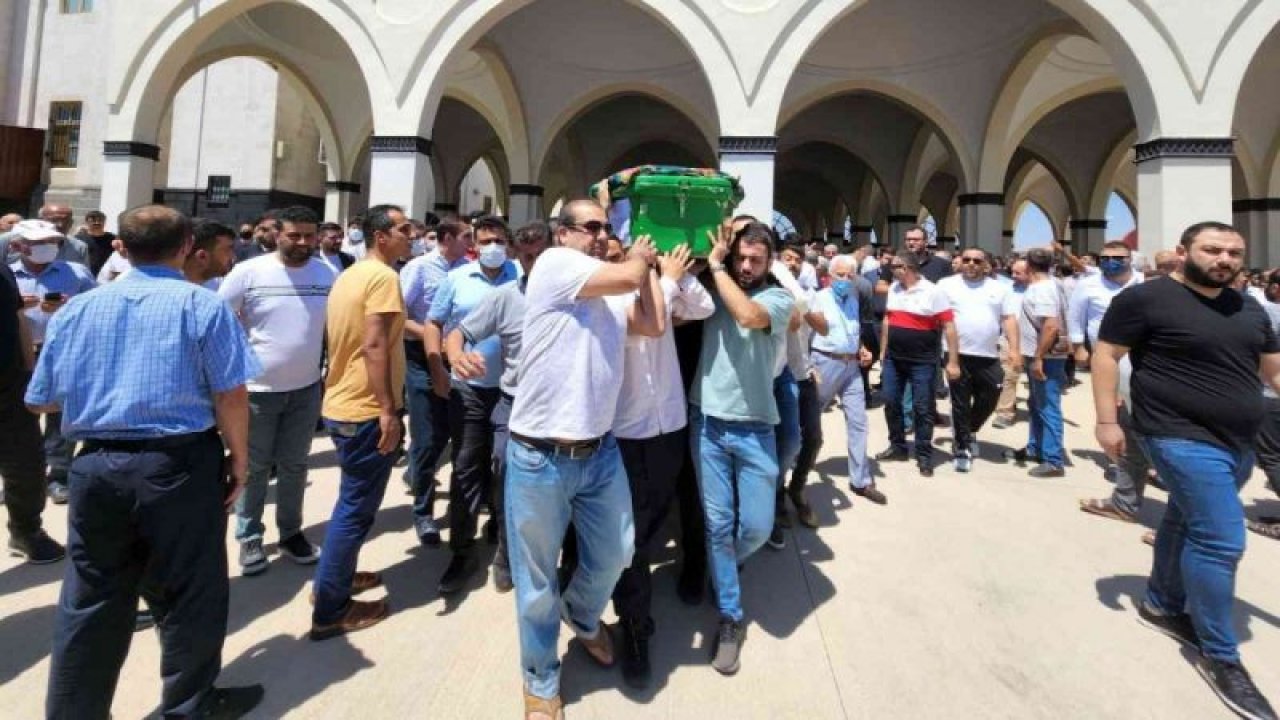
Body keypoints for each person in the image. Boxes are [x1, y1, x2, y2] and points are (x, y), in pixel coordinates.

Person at [27, 205, 263, 718]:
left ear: (123, 248)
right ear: (184, 248)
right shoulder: (203, 307)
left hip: (95, 465)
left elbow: (42, 398)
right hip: (176, 465)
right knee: (190, 591)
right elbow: (231, 395)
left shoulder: (76, 309)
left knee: (91, 600)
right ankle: (189, 705)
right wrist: (240, 459)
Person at [1093, 221, 1279, 720]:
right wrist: (1108, 420)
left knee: (1182, 516)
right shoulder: (1145, 299)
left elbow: (1273, 369)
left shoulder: (1249, 306)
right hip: (1174, 434)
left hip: (1238, 441)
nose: (1225, 259)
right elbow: (1107, 355)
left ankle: (1160, 602)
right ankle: (1221, 656)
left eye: (1234, 252)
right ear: (1183, 252)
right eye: (1212, 249)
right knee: (1221, 540)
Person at [505, 200, 660, 718]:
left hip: (600, 451)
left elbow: (653, 324)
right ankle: (542, 679)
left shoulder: (609, 284)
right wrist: (638, 258)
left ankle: (582, 611)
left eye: (605, 227)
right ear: (563, 233)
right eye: (591, 226)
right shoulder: (554, 265)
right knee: (535, 581)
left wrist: (653, 271)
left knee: (618, 551)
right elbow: (626, 276)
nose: (601, 234)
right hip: (539, 456)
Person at [691, 222, 795, 675]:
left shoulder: (777, 299)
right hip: (707, 422)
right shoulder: (712, 285)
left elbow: (748, 317)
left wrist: (718, 268)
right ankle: (731, 616)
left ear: (769, 261)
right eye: (741, 258)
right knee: (717, 524)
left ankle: (725, 567)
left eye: (756, 259)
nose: (748, 266)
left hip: (755, 427)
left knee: (753, 527)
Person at [608, 242, 711, 685]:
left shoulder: (658, 286)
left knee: (651, 522)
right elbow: (646, 326)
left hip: (668, 422)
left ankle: (638, 592)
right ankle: (635, 625)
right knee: (630, 533)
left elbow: (703, 306)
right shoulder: (604, 298)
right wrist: (663, 277)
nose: (631, 260)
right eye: (619, 256)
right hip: (626, 430)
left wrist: (674, 273)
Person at [309, 204, 409, 641]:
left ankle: (332, 580)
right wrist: (388, 409)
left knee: (349, 504)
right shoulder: (384, 278)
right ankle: (331, 610)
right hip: (365, 410)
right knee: (355, 510)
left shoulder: (350, 273)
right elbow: (373, 346)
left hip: (341, 403)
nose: (412, 234)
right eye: (404, 229)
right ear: (381, 236)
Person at [219, 206, 336, 577]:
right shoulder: (248, 273)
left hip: (305, 389)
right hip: (256, 391)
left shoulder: (326, 273)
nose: (302, 242)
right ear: (276, 234)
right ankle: (250, 535)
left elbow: (334, 326)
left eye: (308, 235)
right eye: (294, 235)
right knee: (253, 468)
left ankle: (291, 532)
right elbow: (218, 321)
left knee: (295, 465)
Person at [446, 221, 552, 592]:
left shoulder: (580, 294)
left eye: (542, 254)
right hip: (514, 406)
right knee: (505, 475)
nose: (535, 262)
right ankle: (504, 554)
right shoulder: (505, 297)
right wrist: (457, 355)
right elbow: (457, 333)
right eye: (528, 256)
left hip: (561, 409)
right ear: (517, 257)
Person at [425, 215, 518, 594]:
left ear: (508, 244)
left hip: (513, 392)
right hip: (469, 392)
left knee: (507, 470)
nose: (492, 246)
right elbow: (434, 323)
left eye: (498, 239)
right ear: (473, 246)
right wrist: (439, 366)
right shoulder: (456, 280)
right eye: (484, 241)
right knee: (465, 467)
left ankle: (505, 552)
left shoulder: (522, 277)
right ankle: (462, 552)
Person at [10, 219, 97, 505]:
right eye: (38, 243)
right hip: (17, 354)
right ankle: (18, 477)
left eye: (52, 242)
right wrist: (17, 306)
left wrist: (68, 306)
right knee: (17, 417)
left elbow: (98, 311)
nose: (47, 248)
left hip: (64, 352)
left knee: (60, 416)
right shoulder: (6, 274)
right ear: (18, 245)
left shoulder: (77, 274)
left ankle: (58, 476)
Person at [400, 218, 470, 545]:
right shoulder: (419, 268)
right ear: (446, 238)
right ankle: (423, 512)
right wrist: (433, 339)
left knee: (451, 435)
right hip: (421, 361)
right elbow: (399, 315)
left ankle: (420, 474)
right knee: (427, 437)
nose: (473, 243)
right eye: (466, 237)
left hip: (458, 361)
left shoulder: (467, 269)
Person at [0, 254, 62, 564]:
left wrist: (29, 372)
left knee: (26, 465)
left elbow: (17, 317)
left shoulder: (2, 268)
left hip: (10, 385)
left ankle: (26, 530)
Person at [806, 254, 884, 500]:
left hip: (851, 367)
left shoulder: (853, 299)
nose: (845, 280)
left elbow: (852, 330)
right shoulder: (816, 299)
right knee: (810, 416)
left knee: (858, 421)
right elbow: (805, 337)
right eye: (840, 275)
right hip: (825, 363)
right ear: (829, 276)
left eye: (850, 276)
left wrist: (860, 348)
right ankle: (800, 460)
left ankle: (860, 480)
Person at [875, 253, 960, 476]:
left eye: (896, 266)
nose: (892, 270)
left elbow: (949, 327)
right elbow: (888, 318)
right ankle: (898, 445)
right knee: (891, 402)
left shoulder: (933, 291)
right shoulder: (894, 289)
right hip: (894, 358)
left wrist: (952, 360)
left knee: (923, 408)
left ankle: (924, 454)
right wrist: (883, 349)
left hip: (923, 361)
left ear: (908, 267)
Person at [937, 248, 1018, 471]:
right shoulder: (946, 285)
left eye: (977, 260)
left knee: (992, 393)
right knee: (960, 402)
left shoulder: (1001, 288)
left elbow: (1009, 319)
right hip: (956, 354)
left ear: (986, 265)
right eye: (967, 259)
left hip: (988, 354)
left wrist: (1015, 349)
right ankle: (962, 446)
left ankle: (969, 429)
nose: (971, 263)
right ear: (960, 262)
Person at [1003, 248, 1070, 477]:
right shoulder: (1052, 284)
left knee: (1048, 406)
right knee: (1036, 404)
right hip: (1038, 354)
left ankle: (1053, 460)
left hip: (1046, 357)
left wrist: (1039, 357)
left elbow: (1050, 326)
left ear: (1030, 267)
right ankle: (1036, 447)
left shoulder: (1043, 290)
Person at [992, 257, 1030, 428]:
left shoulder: (1041, 289)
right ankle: (1005, 412)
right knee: (1009, 375)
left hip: (1036, 340)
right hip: (1009, 338)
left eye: (1018, 273)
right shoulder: (1006, 289)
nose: (1013, 276)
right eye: (1012, 272)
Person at [182, 221, 236, 285]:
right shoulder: (172, 290)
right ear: (202, 256)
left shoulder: (219, 287)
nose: (233, 257)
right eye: (228, 250)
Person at [78, 209, 116, 276]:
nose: (97, 223)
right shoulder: (79, 239)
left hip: (106, 276)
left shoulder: (113, 239)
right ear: (86, 222)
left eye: (100, 220)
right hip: (85, 274)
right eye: (93, 221)